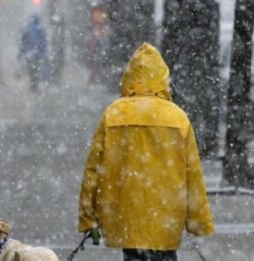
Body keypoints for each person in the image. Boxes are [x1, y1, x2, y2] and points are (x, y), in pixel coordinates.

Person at [78, 43, 214, 261]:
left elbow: (93, 172)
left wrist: (88, 219)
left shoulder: (114, 114)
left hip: (127, 218)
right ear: (162, 78)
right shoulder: (177, 117)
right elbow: (193, 174)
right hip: (167, 219)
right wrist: (198, 221)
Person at [19, 14, 47, 92]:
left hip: (29, 54)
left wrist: (22, 52)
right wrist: (43, 51)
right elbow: (44, 42)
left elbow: (23, 42)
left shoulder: (27, 29)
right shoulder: (41, 29)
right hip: (37, 55)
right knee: (36, 69)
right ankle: (35, 84)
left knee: (31, 69)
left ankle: (32, 84)